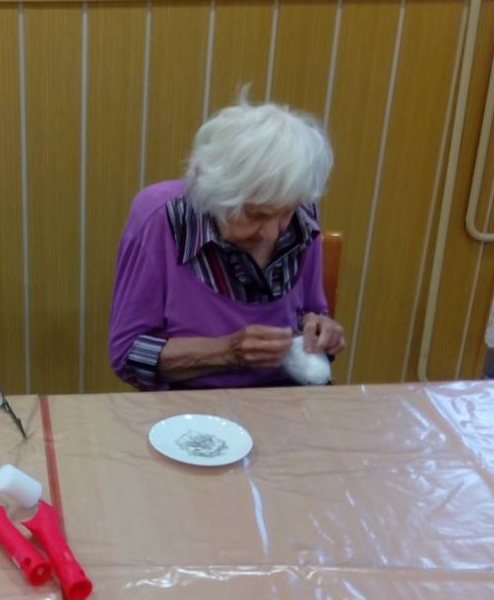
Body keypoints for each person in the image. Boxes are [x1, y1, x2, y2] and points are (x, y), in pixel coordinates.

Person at [108, 98, 345, 390]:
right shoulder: (161, 219)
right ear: (213, 193)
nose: (273, 233)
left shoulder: (301, 211)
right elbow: (128, 354)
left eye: (286, 212)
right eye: (256, 214)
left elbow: (311, 311)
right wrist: (228, 352)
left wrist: (319, 330)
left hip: (286, 397)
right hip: (190, 403)